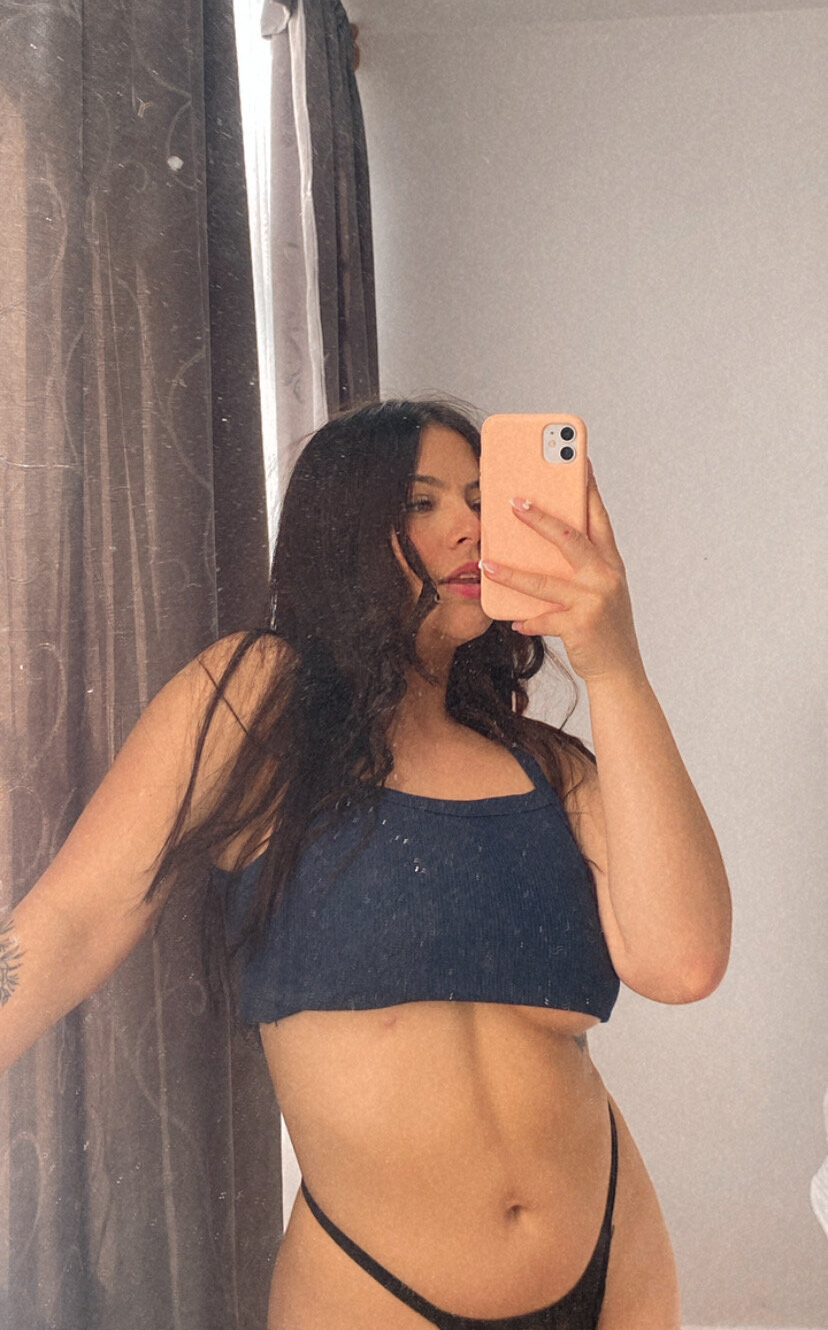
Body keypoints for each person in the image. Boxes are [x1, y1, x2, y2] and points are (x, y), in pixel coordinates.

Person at [0, 398, 731, 1328]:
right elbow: (71, 922)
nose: (470, 525)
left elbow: (684, 963)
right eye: (423, 502)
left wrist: (614, 662)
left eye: (482, 497)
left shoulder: (548, 768)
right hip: (375, 1290)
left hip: (613, 1260)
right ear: (344, 529)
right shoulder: (257, 701)